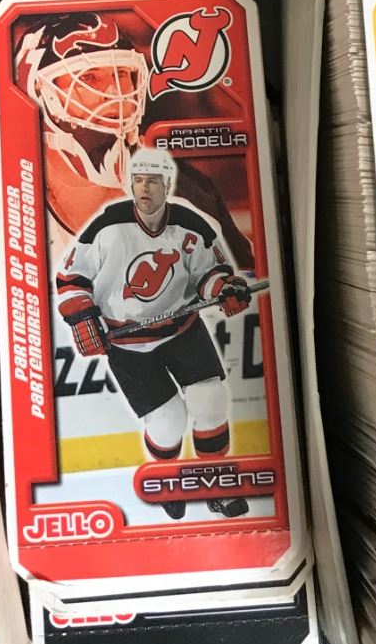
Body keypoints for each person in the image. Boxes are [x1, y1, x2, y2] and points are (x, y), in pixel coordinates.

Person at [55, 147, 252, 520]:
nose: (145, 188)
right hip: (127, 343)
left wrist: (225, 288)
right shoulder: (107, 226)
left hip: (182, 329)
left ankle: (214, 484)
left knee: (210, 400)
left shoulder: (192, 225)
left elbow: (210, 274)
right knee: (168, 420)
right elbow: (71, 278)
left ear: (167, 185)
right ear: (131, 184)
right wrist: (81, 316)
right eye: (139, 181)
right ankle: (166, 478)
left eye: (153, 181)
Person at [14, 11, 253, 267]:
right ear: (39, 92)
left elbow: (246, 281)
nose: (115, 92)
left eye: (121, 74)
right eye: (88, 77)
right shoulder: (17, 199)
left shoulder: (185, 187)